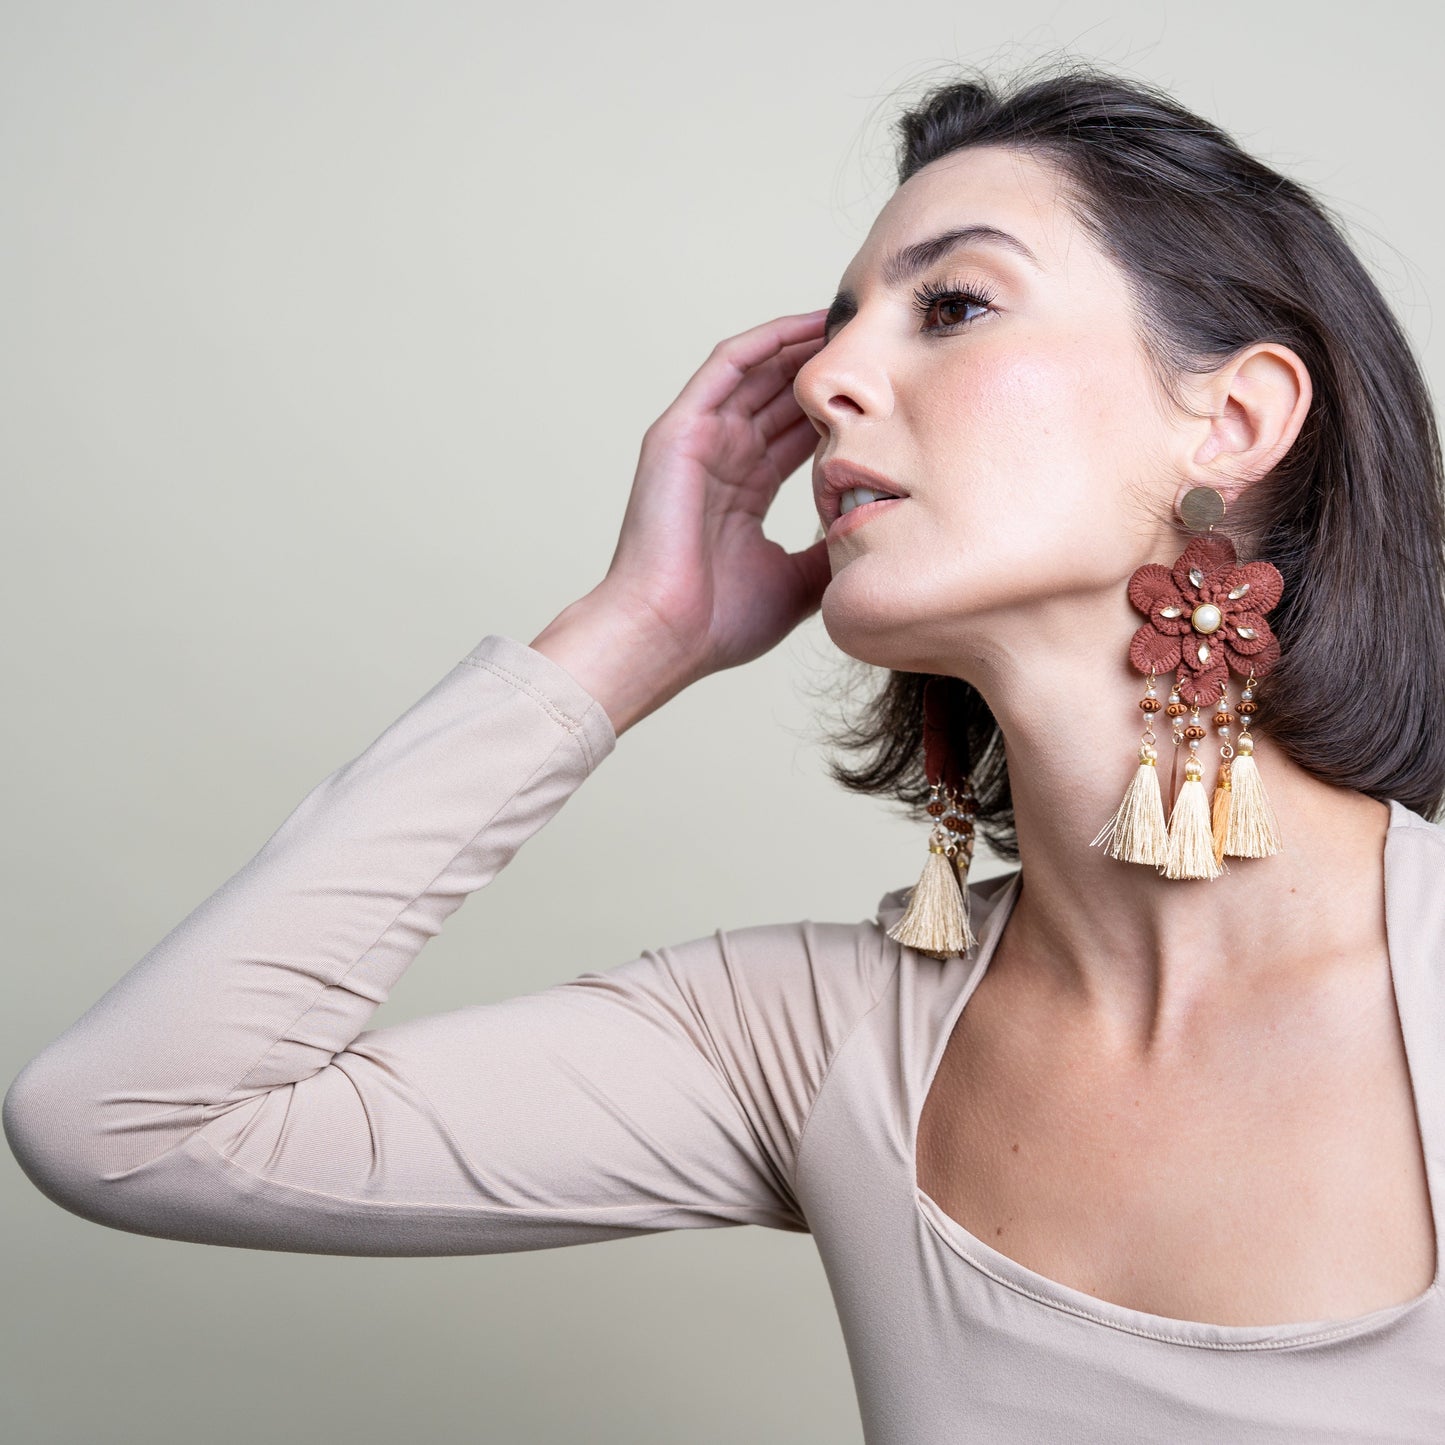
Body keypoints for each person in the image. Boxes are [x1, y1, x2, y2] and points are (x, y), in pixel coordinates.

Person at [5, 60, 1444, 1442]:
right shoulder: (810, 1045)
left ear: (1238, 415)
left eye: (950, 304)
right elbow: (122, 1123)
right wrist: (638, 629)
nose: (829, 380)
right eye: (835, 329)